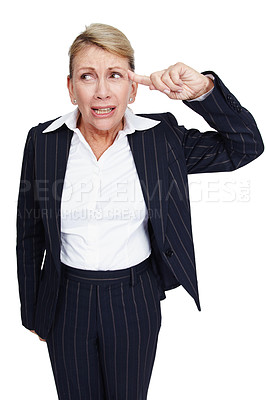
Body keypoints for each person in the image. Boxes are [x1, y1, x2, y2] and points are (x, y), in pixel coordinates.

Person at [16, 23, 264, 400]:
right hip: (66, 299)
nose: (101, 91)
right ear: (70, 87)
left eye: (115, 75)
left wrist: (204, 91)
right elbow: (29, 233)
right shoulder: (43, 141)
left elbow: (244, 147)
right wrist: (33, 310)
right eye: (87, 76)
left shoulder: (161, 139)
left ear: (133, 88)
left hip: (134, 299)